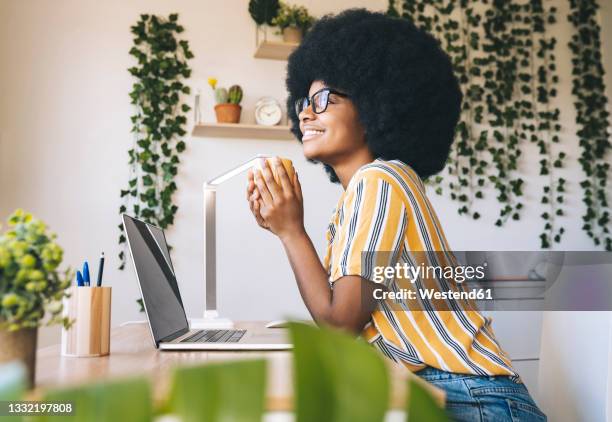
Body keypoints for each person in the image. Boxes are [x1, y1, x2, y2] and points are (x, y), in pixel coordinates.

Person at [246, 8, 546, 422]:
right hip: (451, 392)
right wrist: (287, 229)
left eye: (322, 99)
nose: (305, 113)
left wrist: (290, 231)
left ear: (372, 106)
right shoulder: (361, 196)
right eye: (303, 101)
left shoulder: (381, 181)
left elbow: (338, 325)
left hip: (475, 401)